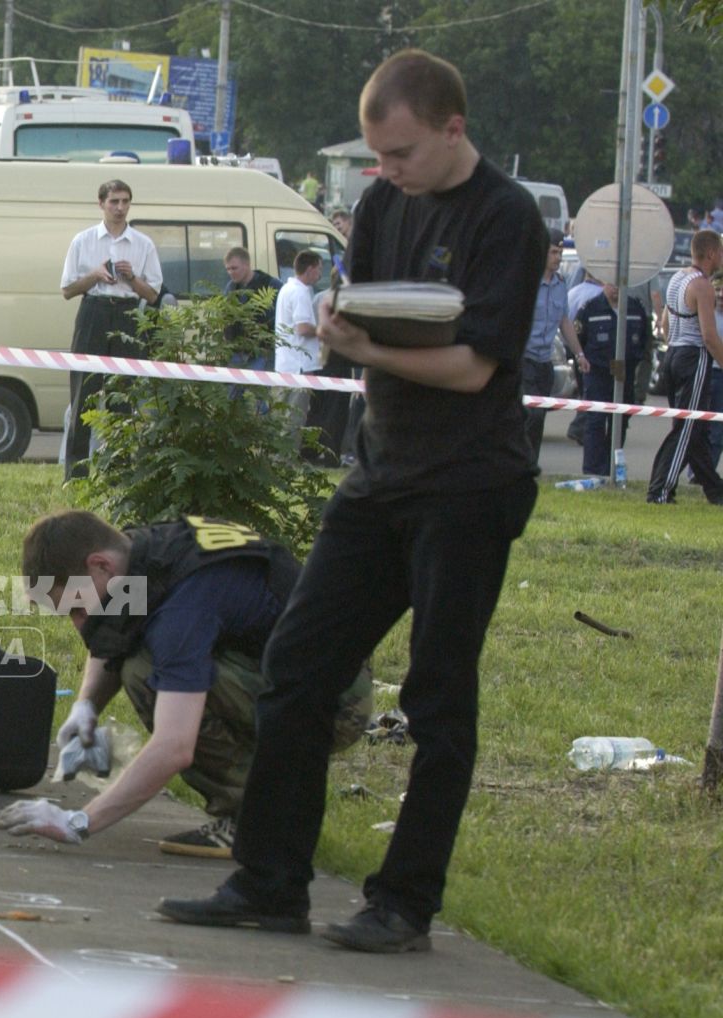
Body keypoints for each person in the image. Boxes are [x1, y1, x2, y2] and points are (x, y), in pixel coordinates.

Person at [158, 49, 549, 953]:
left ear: (453, 128)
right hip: (380, 478)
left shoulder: (506, 217)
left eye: (403, 154)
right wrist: (341, 333)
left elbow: (473, 366)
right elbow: (361, 320)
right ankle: (269, 881)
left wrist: (366, 353)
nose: (388, 174)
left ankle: (403, 903)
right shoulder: (379, 205)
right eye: (378, 156)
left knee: (437, 695)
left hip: (470, 485)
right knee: (296, 665)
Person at [0, 512, 372, 858]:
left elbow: (175, 746)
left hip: (337, 701)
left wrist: (78, 822)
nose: (78, 625)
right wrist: (86, 706)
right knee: (140, 662)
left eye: (76, 609)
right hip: (298, 667)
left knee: (148, 673)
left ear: (100, 566)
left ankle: (257, 820)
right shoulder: (139, 553)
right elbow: (115, 631)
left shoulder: (182, 611)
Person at [59, 179, 161, 478]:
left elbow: (152, 295)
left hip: (127, 314)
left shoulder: (143, 244)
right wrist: (93, 276)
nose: (120, 208)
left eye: (125, 202)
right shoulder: (84, 240)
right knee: (83, 394)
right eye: (114, 202)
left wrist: (131, 278)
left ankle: (119, 472)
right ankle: (76, 473)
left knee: (123, 396)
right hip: (93, 311)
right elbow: (67, 290)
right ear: (101, 203)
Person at [645, 229, 723, 504]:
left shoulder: (678, 279)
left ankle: (716, 490)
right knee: (687, 429)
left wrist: (674, 346)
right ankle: (660, 491)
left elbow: (665, 323)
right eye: (721, 252)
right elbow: (709, 336)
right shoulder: (702, 286)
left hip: (673, 353)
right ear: (711, 253)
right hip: (694, 357)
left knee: (694, 430)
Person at [518, 229, 592, 456]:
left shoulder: (560, 284)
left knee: (539, 420)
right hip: (525, 359)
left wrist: (579, 355)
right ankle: (518, 460)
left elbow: (564, 321)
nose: (558, 258)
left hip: (544, 362)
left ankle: (530, 464)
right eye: (553, 252)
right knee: (532, 414)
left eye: (560, 252)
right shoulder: (526, 281)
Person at [573, 279, 653, 477]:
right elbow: (578, 341)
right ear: (603, 284)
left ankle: (610, 469)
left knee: (621, 421)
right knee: (595, 421)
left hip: (623, 374)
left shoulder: (635, 308)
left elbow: (644, 340)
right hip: (597, 373)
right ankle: (593, 471)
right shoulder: (590, 309)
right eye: (611, 283)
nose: (615, 288)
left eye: (619, 283)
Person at [274, 251, 324, 430]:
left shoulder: (287, 289)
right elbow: (303, 328)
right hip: (299, 366)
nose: (320, 274)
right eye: (319, 269)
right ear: (309, 269)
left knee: (281, 419)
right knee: (294, 421)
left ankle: (276, 458)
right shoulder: (301, 292)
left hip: (285, 363)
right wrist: (324, 331)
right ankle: (287, 458)